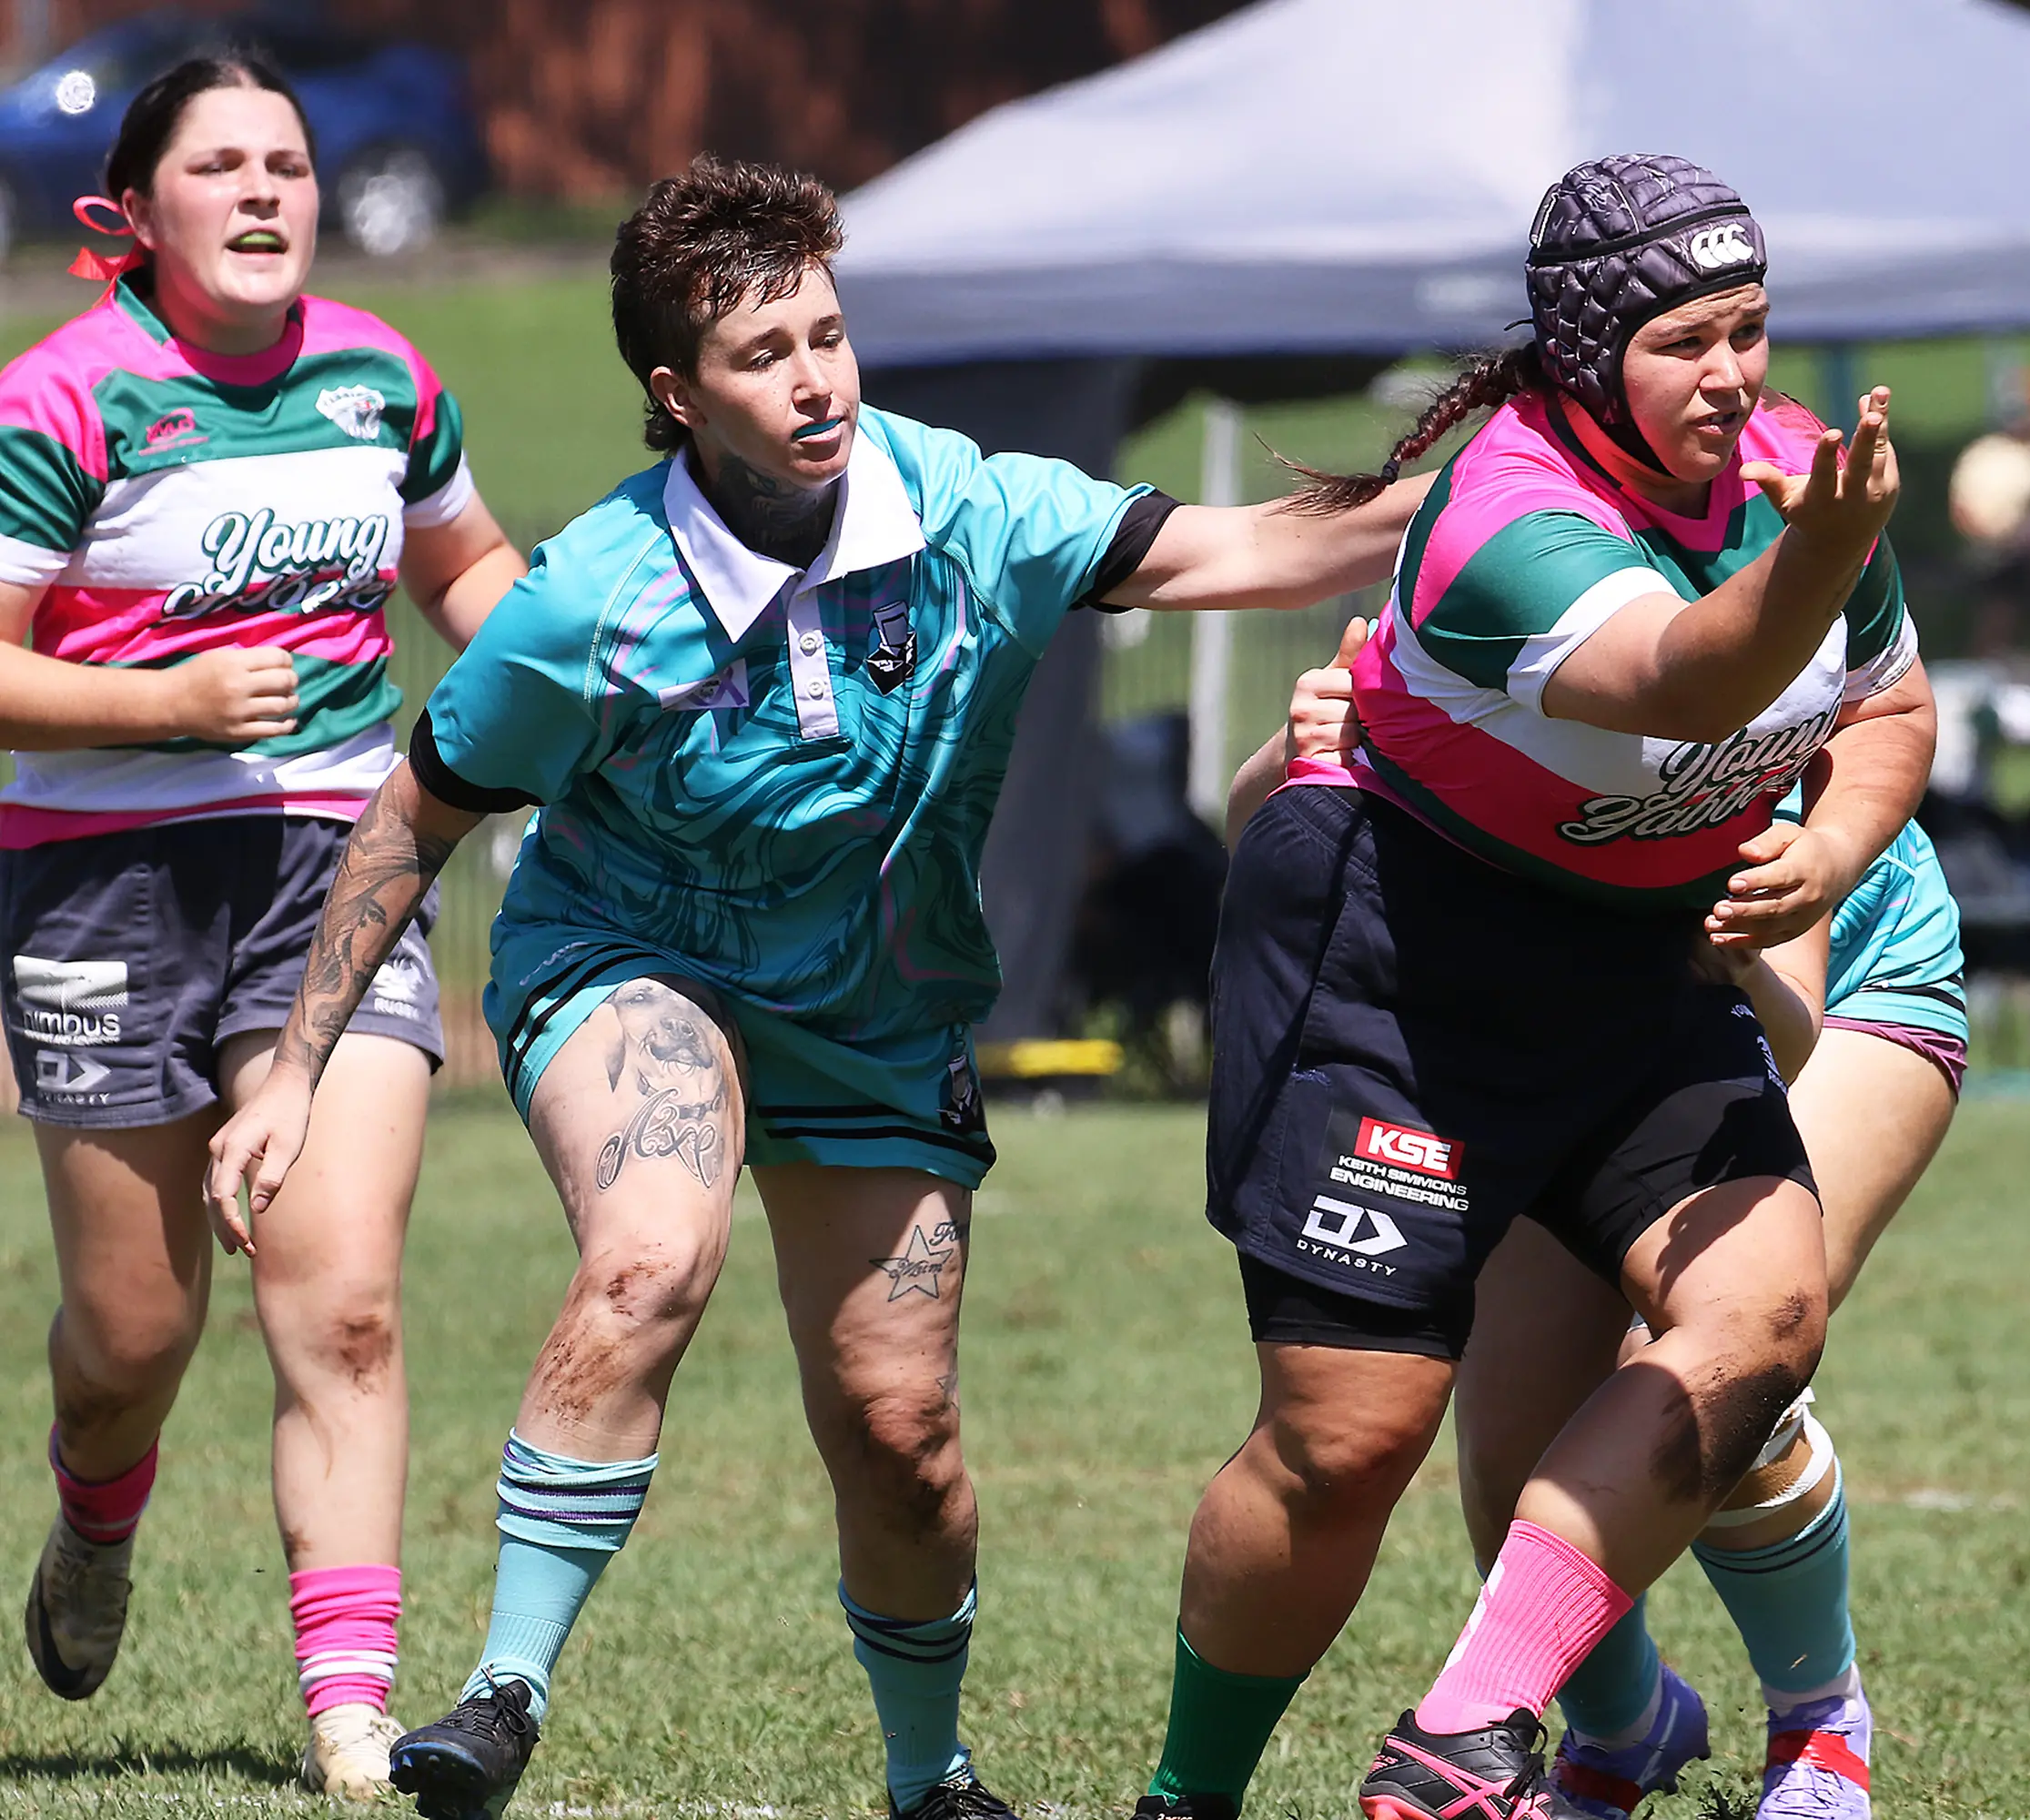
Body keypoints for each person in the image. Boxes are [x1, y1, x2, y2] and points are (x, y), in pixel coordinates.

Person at [204, 156, 1429, 1820]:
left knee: (900, 1431)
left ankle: (930, 1779)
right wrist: (290, 1068)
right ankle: (501, 1695)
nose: (815, 378)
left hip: (876, 1004)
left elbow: (1252, 549)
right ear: (674, 392)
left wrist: (1497, 487)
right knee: (652, 1254)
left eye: (829, 335)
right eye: (764, 353)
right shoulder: (593, 599)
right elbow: (416, 807)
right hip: (634, 955)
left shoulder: (972, 514)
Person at [1124, 154, 1900, 1820]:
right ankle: (1189, 1798)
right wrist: (1824, 556)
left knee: (1765, 1310)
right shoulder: (1508, 518)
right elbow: (1690, 679)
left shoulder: (1790, 482)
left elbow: (1888, 714)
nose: (1737, 376)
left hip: (1633, 964)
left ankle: (1467, 1735)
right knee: (1350, 1447)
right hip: (1400, 966)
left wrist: (1828, 854)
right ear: (1585, 348)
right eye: (1689, 340)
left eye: (1754, 331)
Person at [0, 53, 524, 1799]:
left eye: (288, 165)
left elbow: (469, 579)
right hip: (104, 882)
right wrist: (161, 709)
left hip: (336, 870)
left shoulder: (385, 377)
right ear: (133, 213)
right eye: (219, 167)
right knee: (135, 1337)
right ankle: (96, 1511)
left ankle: (351, 1717)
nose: (263, 194)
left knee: (344, 1300)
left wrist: (599, 683)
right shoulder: (67, 401)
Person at [1222, 584, 1961, 1820]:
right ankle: (1622, 1729)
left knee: (1718, 1353)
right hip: (1573, 998)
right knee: (1516, 1439)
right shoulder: (1493, 572)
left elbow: (1782, 1032)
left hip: (1819, 982)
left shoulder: (1737, 660)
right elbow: (1271, 839)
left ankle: (1820, 1721)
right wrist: (1295, 754)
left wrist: (1711, 948)